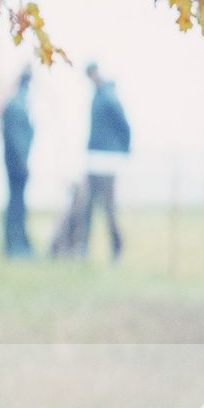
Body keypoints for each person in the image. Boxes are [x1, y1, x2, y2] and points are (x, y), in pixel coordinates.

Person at [84, 63, 131, 262]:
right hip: (94, 160)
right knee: (87, 207)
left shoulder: (108, 97)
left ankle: (117, 249)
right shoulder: (97, 96)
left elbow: (125, 126)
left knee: (108, 208)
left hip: (106, 162)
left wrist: (121, 152)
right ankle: (81, 249)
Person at [1, 69, 35, 258]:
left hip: (17, 163)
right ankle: (15, 246)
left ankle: (18, 244)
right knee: (16, 204)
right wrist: (22, 162)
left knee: (17, 203)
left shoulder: (17, 103)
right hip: (16, 166)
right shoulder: (16, 105)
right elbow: (16, 138)